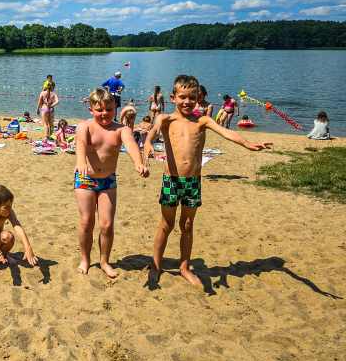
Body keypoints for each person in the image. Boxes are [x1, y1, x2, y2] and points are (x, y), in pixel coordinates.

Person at [143, 75, 272, 285]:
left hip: (193, 181)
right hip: (172, 180)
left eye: (192, 98)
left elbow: (226, 132)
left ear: (197, 98)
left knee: (187, 225)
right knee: (166, 225)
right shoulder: (165, 119)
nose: (187, 102)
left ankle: (184, 267)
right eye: (182, 97)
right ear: (172, 97)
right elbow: (154, 131)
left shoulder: (203, 120)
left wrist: (248, 144)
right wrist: (148, 142)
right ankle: (156, 266)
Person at [74, 88, 149, 277]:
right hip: (85, 178)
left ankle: (104, 261)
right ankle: (85, 259)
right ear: (91, 110)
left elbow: (131, 144)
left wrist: (138, 162)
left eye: (109, 109)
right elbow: (81, 142)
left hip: (108, 181)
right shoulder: (85, 126)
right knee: (86, 222)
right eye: (99, 110)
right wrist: (81, 161)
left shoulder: (122, 129)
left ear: (116, 109)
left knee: (106, 224)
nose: (105, 113)